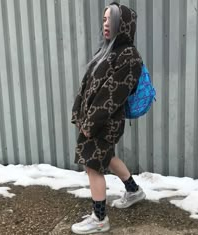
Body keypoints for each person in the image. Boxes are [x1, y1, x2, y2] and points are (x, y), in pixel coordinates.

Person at [71, 2, 146, 234]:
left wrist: (91, 123)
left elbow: (112, 96)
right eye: (104, 19)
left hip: (105, 122)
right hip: (94, 120)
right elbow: (88, 86)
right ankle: (134, 191)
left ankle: (100, 219)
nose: (105, 24)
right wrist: (78, 112)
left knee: (93, 166)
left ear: (122, 24)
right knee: (107, 156)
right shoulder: (106, 51)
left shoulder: (129, 56)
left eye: (110, 20)